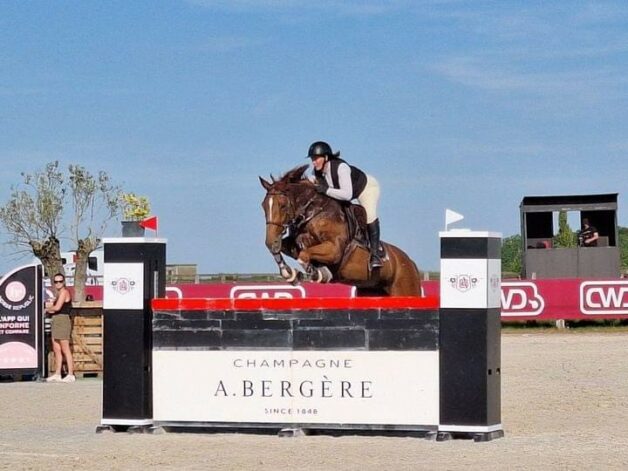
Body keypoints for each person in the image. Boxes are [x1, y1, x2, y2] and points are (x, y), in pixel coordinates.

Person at [307, 140, 384, 269]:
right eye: (312, 159)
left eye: (316, 159)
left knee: (369, 215)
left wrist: (326, 190)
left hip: (366, 188)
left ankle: (375, 255)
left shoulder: (341, 168)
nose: (314, 162)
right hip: (346, 192)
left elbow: (347, 195)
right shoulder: (317, 173)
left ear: (326, 157)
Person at [45, 273, 75, 383]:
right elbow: (54, 309)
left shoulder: (64, 292)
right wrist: (50, 307)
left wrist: (46, 309)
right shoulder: (57, 294)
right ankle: (57, 373)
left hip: (62, 320)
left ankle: (71, 374)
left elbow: (57, 308)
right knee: (56, 348)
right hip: (56, 320)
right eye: (56, 281)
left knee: (65, 348)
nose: (58, 283)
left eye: (60, 281)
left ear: (64, 282)